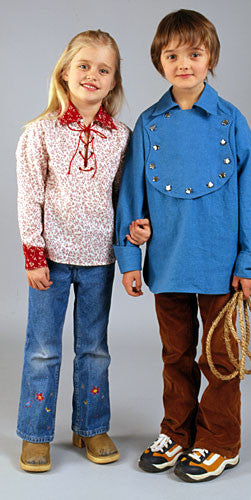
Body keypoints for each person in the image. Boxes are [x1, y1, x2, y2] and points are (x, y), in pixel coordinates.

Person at [114, 10, 251, 482]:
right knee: (174, 354)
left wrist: (248, 260)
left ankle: (221, 439)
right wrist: (130, 259)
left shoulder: (231, 120)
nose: (184, 64)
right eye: (173, 55)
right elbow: (131, 198)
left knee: (219, 357)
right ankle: (177, 432)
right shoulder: (148, 124)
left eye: (195, 54)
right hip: (167, 263)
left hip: (221, 266)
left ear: (211, 59)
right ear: (159, 62)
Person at [16, 29, 147, 472]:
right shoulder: (40, 133)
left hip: (99, 262)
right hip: (50, 261)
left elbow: (124, 196)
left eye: (103, 69)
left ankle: (90, 426)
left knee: (94, 348)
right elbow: (29, 197)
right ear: (66, 73)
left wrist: (134, 230)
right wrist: (34, 257)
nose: (93, 74)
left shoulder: (121, 138)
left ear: (113, 83)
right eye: (84, 66)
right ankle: (35, 433)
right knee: (42, 349)